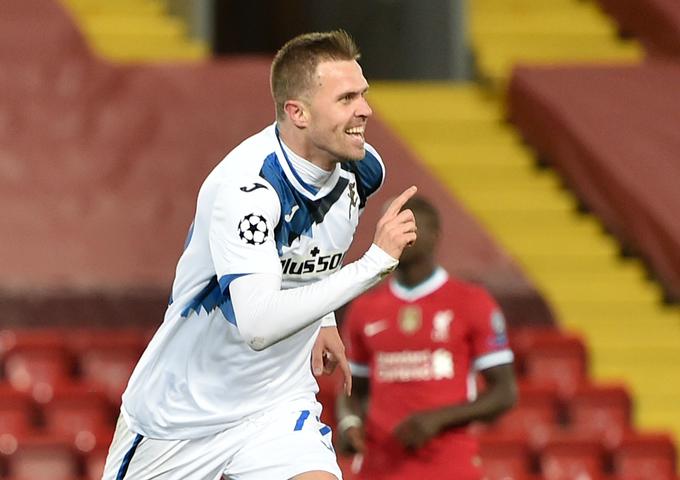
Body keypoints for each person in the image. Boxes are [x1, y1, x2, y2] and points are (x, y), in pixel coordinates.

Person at [102, 30, 418, 480]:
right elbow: (257, 325)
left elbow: (316, 248)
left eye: (363, 95)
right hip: (182, 417)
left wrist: (324, 321)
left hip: (276, 404)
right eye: (347, 98)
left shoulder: (362, 169)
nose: (365, 110)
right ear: (298, 112)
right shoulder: (248, 190)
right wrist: (372, 265)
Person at [337, 195, 517, 480]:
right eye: (390, 225)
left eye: (407, 225)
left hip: (449, 467)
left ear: (434, 235)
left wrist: (438, 419)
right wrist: (349, 422)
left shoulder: (471, 301)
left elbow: (504, 393)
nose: (397, 233)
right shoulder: (364, 308)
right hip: (379, 468)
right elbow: (353, 390)